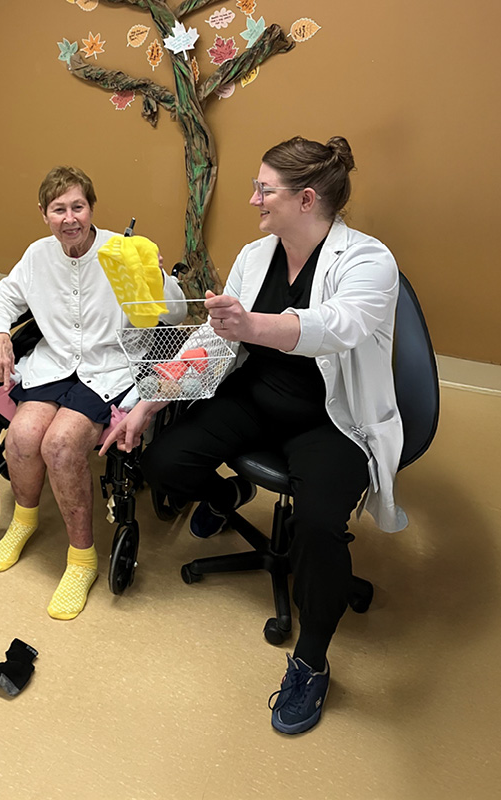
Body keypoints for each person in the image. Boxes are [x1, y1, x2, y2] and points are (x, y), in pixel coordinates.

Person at [101, 136, 407, 734]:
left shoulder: (369, 262)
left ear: (306, 198)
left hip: (332, 420)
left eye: (264, 189)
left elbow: (335, 326)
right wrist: (145, 403)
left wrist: (251, 323)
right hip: (255, 399)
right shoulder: (255, 254)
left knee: (319, 527)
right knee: (164, 461)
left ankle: (312, 663)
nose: (252, 199)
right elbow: (217, 343)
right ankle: (228, 499)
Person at [0, 165, 185, 620]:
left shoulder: (119, 250)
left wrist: (155, 274)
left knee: (62, 444)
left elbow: (172, 309)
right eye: (58, 209)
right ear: (44, 214)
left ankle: (81, 557)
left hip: (108, 365)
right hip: (55, 361)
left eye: (77, 207)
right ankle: (24, 521)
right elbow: (2, 298)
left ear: (91, 208)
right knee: (23, 436)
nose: (69, 218)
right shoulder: (38, 256)